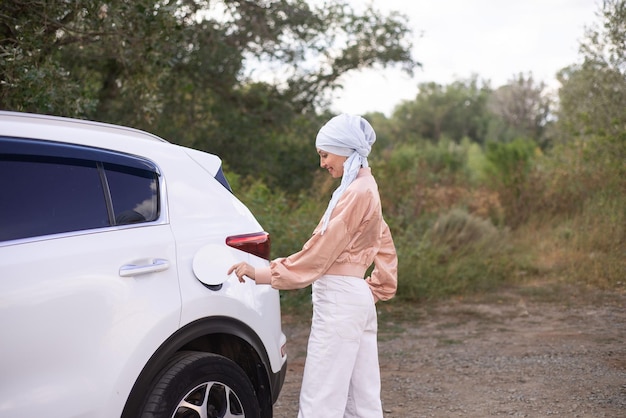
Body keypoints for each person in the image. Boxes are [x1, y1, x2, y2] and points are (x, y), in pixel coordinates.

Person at [228, 113, 398, 418]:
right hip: (356, 297)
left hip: (341, 297)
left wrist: (264, 272)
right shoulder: (366, 188)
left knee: (322, 395)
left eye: (325, 154)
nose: (322, 163)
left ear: (345, 150)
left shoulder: (355, 192)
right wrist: (376, 287)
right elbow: (384, 241)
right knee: (363, 399)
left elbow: (321, 252)